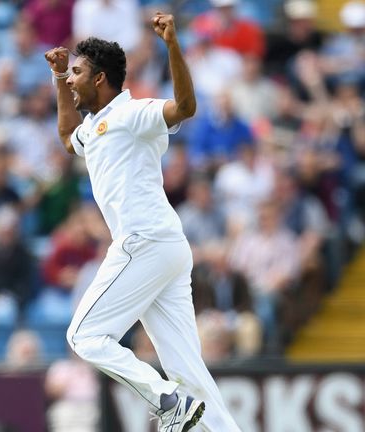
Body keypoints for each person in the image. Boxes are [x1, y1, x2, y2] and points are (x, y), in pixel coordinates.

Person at [44, 13, 240, 432]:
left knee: (84, 337)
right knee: (191, 372)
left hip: (145, 241)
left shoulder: (134, 113)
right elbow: (66, 138)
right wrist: (59, 76)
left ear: (100, 79)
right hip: (165, 246)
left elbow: (185, 107)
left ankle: (166, 400)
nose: (71, 80)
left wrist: (172, 45)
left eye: (77, 72)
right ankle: (189, 405)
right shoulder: (92, 126)